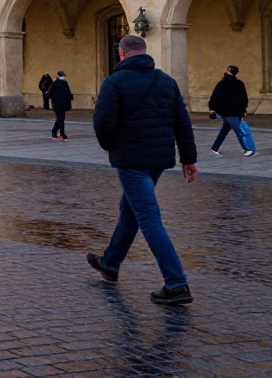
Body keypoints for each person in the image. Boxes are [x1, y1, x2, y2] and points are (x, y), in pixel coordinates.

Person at [88, 34, 198, 306]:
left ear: (122, 53)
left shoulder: (115, 82)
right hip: (158, 159)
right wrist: (189, 159)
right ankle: (110, 263)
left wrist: (112, 146)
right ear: (145, 53)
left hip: (131, 160)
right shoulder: (166, 81)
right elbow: (182, 124)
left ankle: (176, 283)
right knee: (131, 211)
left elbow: (103, 123)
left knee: (148, 217)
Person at [207, 65, 251, 156]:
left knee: (226, 130)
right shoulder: (239, 83)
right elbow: (244, 98)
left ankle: (215, 148)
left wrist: (211, 107)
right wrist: (244, 110)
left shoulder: (222, 83)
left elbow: (215, 96)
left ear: (228, 71)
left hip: (227, 111)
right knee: (238, 130)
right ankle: (246, 149)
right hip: (236, 111)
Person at [46, 71, 73, 141]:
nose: (63, 77)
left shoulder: (61, 83)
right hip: (58, 104)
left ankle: (54, 132)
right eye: (62, 75)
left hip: (59, 104)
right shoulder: (58, 83)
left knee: (60, 118)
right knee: (61, 118)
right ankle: (62, 134)